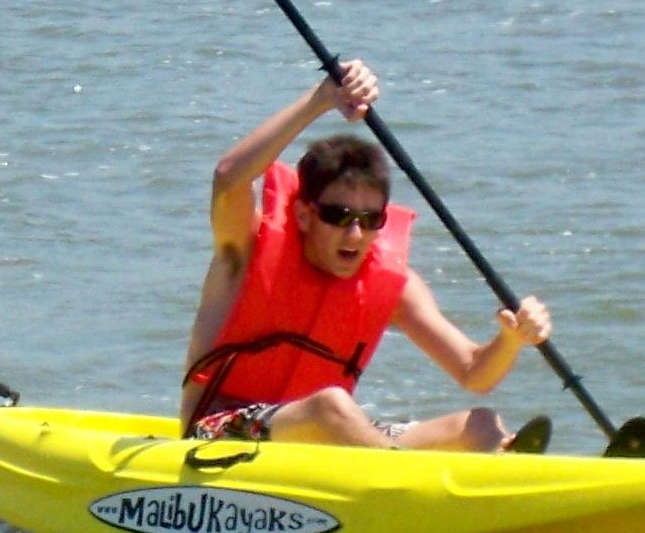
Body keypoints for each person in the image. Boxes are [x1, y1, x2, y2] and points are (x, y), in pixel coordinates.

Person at [179, 61, 554, 450]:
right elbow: (228, 177)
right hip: (218, 431)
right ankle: (398, 482)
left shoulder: (394, 283)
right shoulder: (245, 248)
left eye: (370, 219)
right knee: (332, 407)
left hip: (324, 436)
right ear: (305, 215)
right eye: (338, 216)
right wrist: (320, 100)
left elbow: (475, 373)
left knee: (479, 425)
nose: (355, 234)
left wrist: (511, 339)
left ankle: (508, 477)